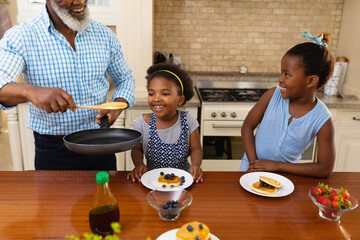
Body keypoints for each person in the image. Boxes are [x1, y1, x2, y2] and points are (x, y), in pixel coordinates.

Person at [0, 0, 135, 170]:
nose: (79, 2)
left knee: (106, 196)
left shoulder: (104, 35)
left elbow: (125, 78)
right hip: (53, 150)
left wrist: (118, 104)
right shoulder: (21, 36)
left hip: (101, 142)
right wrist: (31, 92)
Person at [240, 31, 336, 178]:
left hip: (286, 179)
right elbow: (247, 126)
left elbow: (324, 169)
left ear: (310, 81)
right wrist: (254, 164)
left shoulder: (323, 120)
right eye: (281, 73)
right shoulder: (272, 96)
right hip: (250, 170)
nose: (280, 79)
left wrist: (276, 166)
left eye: (287, 74)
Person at [126, 62, 203, 183]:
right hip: (152, 180)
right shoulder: (143, 122)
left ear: (180, 99)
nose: (156, 98)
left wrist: (196, 165)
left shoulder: (188, 120)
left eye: (165, 94)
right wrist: (139, 164)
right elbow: (136, 150)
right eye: (151, 93)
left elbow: (196, 149)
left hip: (182, 180)